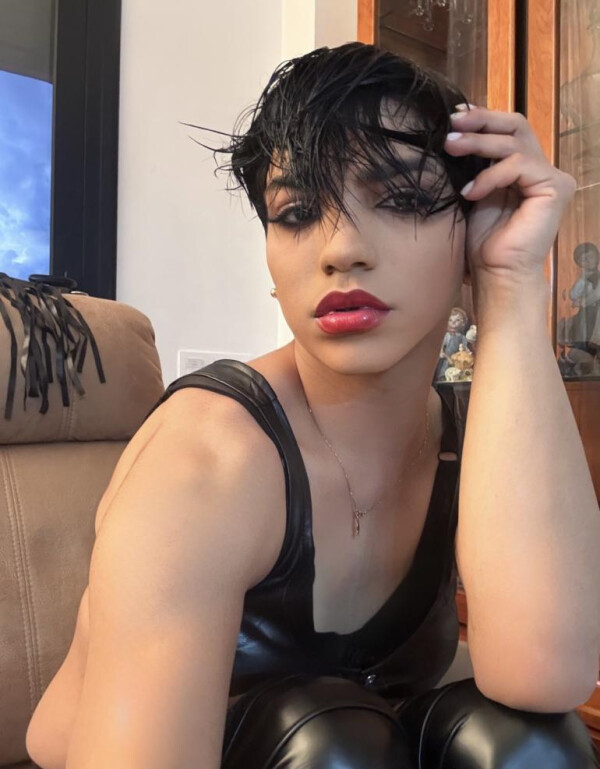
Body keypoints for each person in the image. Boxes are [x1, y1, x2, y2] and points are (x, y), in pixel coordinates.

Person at [62, 42, 599, 768]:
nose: (341, 248)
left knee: (524, 741)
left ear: (471, 228)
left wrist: (511, 285)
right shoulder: (207, 457)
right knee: (333, 746)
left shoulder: (477, 437)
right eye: (297, 212)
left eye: (404, 199)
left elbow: (546, 676)